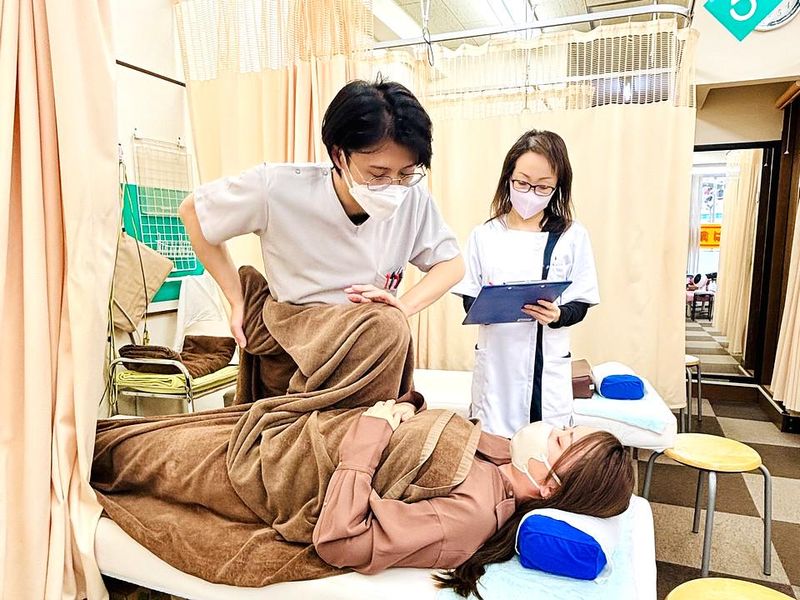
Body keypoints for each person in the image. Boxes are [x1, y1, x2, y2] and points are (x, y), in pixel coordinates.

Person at [178, 78, 464, 348]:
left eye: (406, 173)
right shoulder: (277, 187)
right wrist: (236, 300)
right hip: (298, 334)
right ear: (339, 155)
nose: (394, 185)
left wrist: (402, 308)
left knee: (389, 328)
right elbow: (193, 212)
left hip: (371, 337)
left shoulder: (413, 197)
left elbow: (451, 263)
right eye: (378, 174)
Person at [313, 401, 633, 577]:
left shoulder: (471, 514)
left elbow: (342, 542)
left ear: (549, 488)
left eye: (560, 441)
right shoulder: (506, 454)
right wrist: (410, 411)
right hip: (340, 421)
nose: (548, 430)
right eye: (564, 429)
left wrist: (368, 440)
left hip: (314, 460)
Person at [452, 130, 599, 436]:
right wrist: (493, 306)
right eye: (522, 182)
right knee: (491, 446)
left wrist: (558, 315)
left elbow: (581, 302)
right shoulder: (484, 235)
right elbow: (469, 297)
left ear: (557, 187)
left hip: (546, 365)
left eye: (543, 186)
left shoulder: (572, 236)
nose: (531, 193)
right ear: (508, 177)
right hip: (496, 363)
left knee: (543, 447)